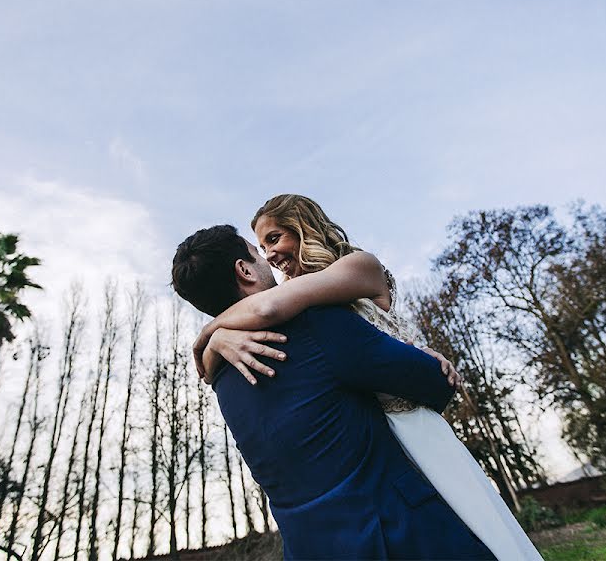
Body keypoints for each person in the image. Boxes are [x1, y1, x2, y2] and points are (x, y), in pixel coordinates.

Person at [193, 194, 543, 561]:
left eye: (274, 238)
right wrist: (216, 340)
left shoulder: (358, 266)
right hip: (380, 440)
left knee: (482, 526)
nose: (268, 254)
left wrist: (209, 335)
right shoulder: (299, 309)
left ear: (302, 227)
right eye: (260, 247)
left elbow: (266, 306)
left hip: (410, 423)